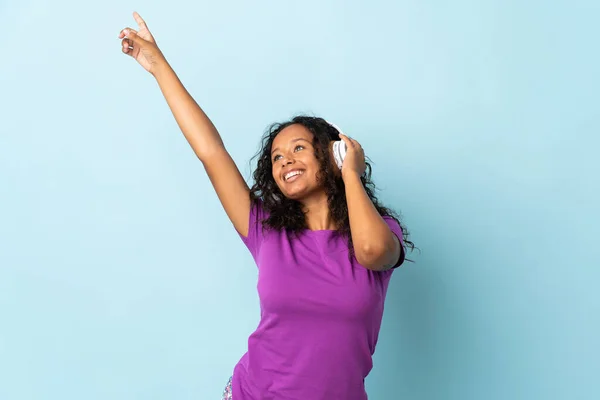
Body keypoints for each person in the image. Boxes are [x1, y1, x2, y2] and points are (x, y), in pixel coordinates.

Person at [118, 12, 415, 400]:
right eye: (276, 157)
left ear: (333, 155)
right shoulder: (266, 228)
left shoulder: (378, 229)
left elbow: (374, 252)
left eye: (298, 149)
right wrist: (157, 66)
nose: (286, 161)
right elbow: (211, 152)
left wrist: (351, 175)